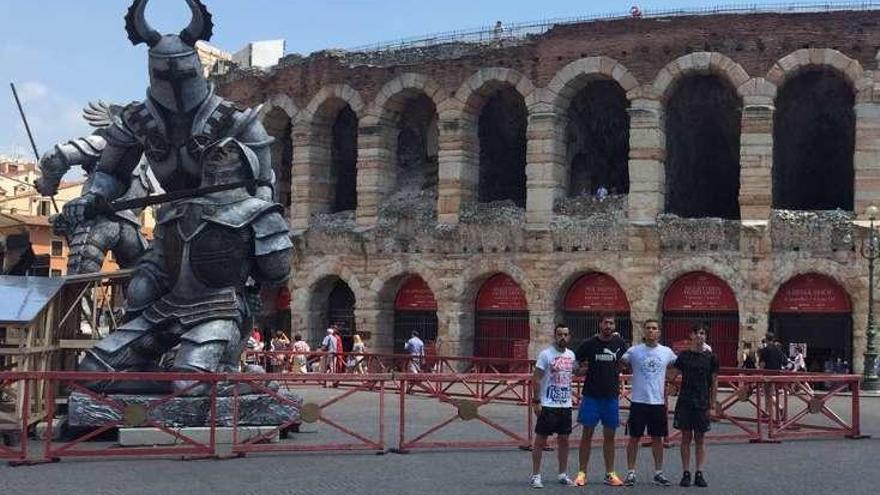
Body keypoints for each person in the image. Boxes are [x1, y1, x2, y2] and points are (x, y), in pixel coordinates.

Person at [620, 319, 677, 486]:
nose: (651, 331)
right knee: (634, 438)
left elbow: (679, 364)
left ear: (658, 332)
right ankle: (631, 472)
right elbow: (618, 362)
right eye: (648, 328)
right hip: (638, 400)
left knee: (658, 438)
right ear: (644, 332)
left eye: (654, 328)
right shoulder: (634, 351)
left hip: (657, 401)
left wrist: (671, 378)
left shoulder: (666, 352)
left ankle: (658, 472)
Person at [573, 314, 627, 487]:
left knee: (610, 436)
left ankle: (610, 473)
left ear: (614, 326)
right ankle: (582, 473)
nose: (608, 326)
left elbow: (625, 362)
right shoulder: (589, 344)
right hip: (591, 396)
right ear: (600, 324)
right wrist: (580, 370)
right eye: (606, 323)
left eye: (611, 323)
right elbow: (575, 362)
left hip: (611, 396)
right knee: (586, 435)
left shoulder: (619, 344)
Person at [670, 324, 719, 488]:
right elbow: (672, 375)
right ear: (691, 336)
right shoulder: (683, 356)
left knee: (700, 438)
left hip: (702, 401)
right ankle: (686, 472)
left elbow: (714, 382)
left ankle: (699, 472)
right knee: (685, 438)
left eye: (703, 333)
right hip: (685, 401)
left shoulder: (711, 357)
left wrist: (713, 404)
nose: (700, 336)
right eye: (697, 333)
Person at [529, 324, 577, 488]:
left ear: (569, 337)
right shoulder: (546, 354)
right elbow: (536, 378)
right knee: (540, 440)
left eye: (565, 334)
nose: (562, 337)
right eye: (559, 334)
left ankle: (562, 473)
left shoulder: (571, 355)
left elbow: (575, 372)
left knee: (564, 440)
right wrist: (536, 401)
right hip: (548, 404)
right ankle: (536, 475)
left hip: (565, 404)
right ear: (554, 336)